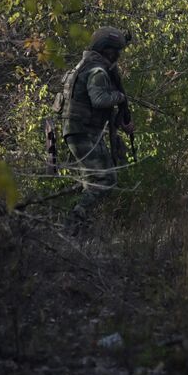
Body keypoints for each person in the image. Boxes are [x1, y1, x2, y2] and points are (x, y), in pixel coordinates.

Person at [59, 26, 133, 226]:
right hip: (84, 133)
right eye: (116, 51)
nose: (118, 56)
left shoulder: (85, 66)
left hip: (78, 131)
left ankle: (78, 230)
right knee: (106, 180)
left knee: (91, 182)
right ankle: (73, 220)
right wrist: (120, 96)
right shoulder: (97, 71)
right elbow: (99, 100)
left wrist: (120, 119)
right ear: (107, 50)